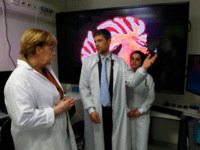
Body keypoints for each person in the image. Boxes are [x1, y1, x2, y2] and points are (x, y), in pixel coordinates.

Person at [79, 29, 157, 150]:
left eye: (100, 41)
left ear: (109, 41)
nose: (97, 44)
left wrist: (143, 69)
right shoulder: (88, 62)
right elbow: (83, 87)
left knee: (113, 142)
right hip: (96, 110)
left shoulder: (120, 63)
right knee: (98, 142)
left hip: (114, 110)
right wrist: (90, 109)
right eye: (95, 41)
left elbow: (132, 81)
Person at [4, 29, 77, 150]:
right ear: (38, 49)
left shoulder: (45, 70)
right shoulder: (18, 80)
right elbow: (24, 119)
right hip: (39, 144)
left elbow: (50, 96)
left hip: (58, 136)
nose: (54, 54)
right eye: (51, 49)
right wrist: (57, 110)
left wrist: (63, 100)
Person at [127, 51, 155, 150]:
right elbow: (121, 96)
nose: (134, 61)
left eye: (137, 59)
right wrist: (127, 110)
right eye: (132, 58)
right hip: (128, 115)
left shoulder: (148, 78)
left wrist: (140, 111)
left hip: (142, 116)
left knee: (141, 146)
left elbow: (150, 98)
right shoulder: (127, 77)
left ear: (142, 62)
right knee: (127, 144)